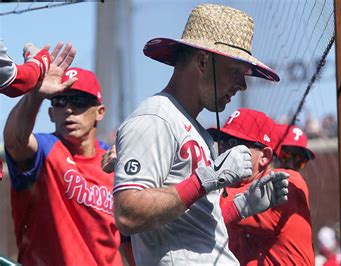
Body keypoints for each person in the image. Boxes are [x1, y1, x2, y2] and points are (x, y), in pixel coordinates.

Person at [112, 4, 285, 265]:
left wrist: (241, 206)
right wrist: (205, 180)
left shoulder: (194, 128)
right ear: (203, 61)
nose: (243, 84)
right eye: (235, 71)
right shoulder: (155, 118)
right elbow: (127, 212)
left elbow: (194, 229)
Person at [3, 62, 124, 265]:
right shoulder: (45, 149)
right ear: (51, 114)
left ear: (100, 112)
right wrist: (36, 94)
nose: (68, 109)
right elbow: (15, 142)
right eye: (59, 101)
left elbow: (130, 236)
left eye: (79, 101)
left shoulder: (114, 162)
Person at [217, 108, 315, 265]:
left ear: (266, 156)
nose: (290, 165)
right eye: (223, 142)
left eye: (299, 161)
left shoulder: (289, 182)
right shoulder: (236, 186)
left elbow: (209, 206)